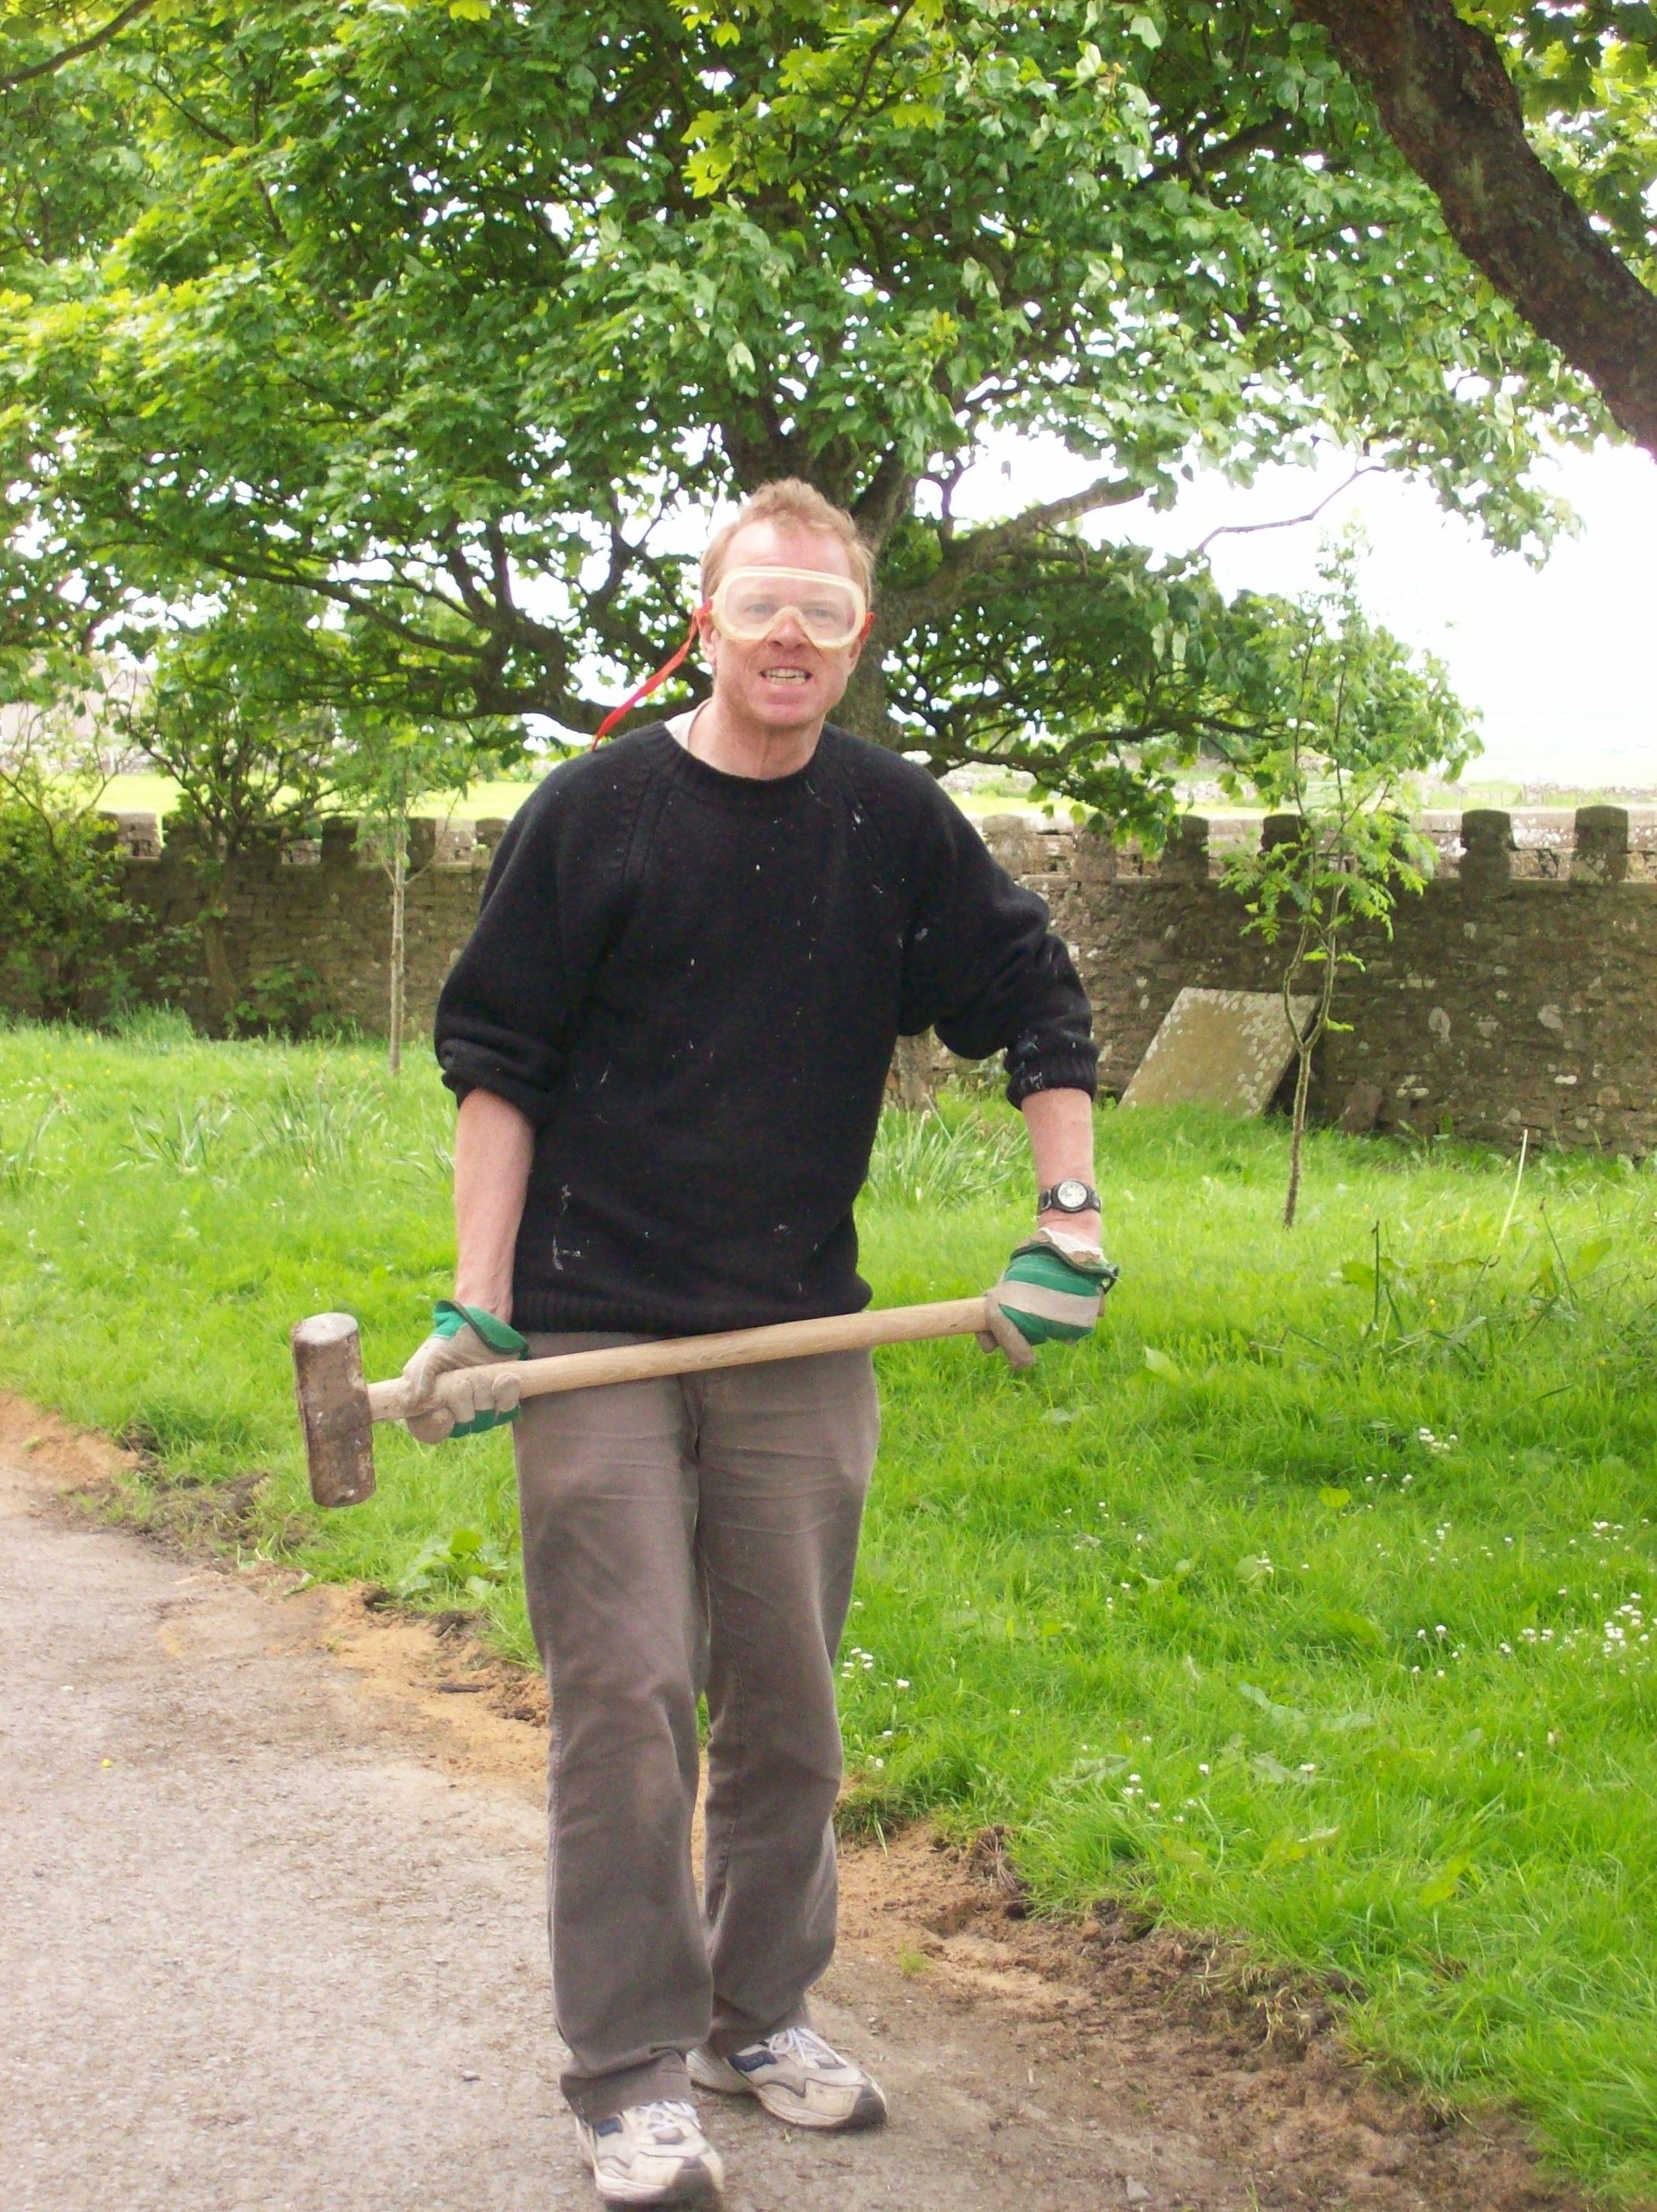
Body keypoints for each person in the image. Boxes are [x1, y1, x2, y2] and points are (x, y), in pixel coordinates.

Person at [399, 479, 1115, 2210]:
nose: (789, 637)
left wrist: (1064, 1214)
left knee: (785, 1698)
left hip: (804, 1323)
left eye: (823, 612)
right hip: (591, 1332)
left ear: (855, 640)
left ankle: (753, 2012)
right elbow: (498, 1061)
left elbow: (1034, 997)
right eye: (760, 605)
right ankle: (628, 2069)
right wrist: (476, 1295)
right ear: (701, 622)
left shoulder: (890, 823)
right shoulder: (592, 814)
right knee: (628, 1693)